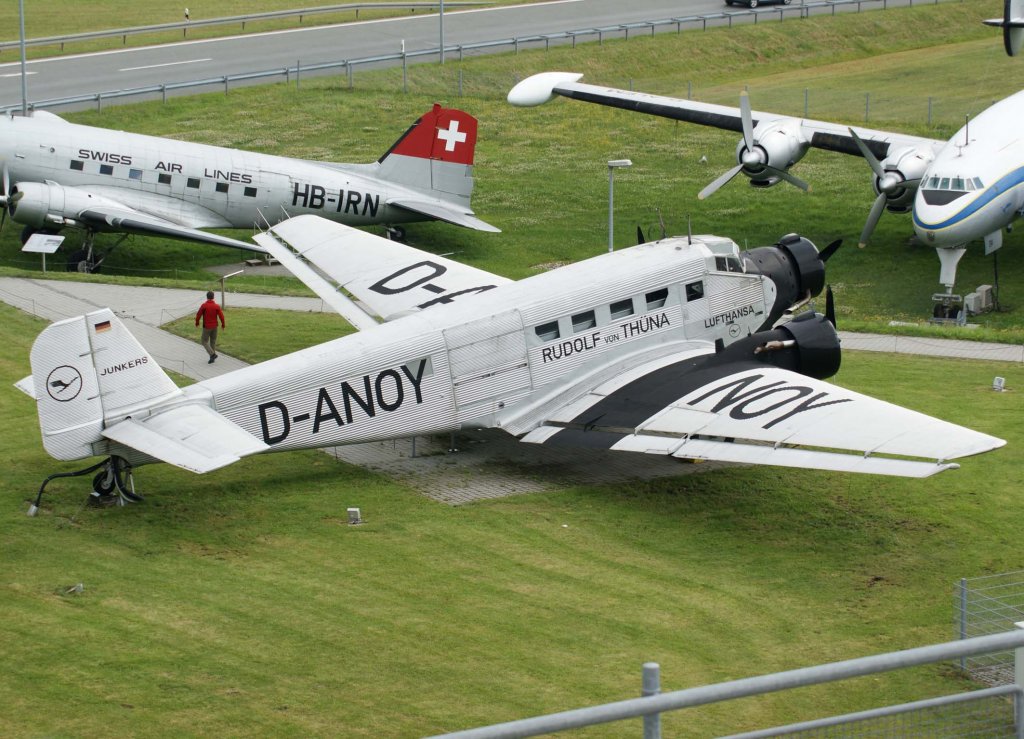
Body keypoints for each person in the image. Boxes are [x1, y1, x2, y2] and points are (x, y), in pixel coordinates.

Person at [195, 291, 225, 364]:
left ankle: (212, 354)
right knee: (213, 342)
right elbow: (221, 316)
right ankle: (212, 358)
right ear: (213, 297)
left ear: (207, 297)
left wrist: (197, 322)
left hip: (207, 327)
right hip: (215, 326)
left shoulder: (204, 306)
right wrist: (223, 324)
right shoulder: (217, 306)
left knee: (204, 341)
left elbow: (198, 315)